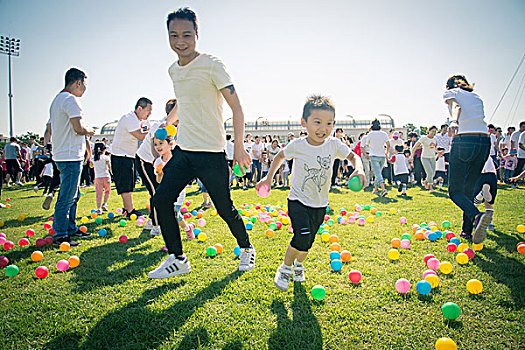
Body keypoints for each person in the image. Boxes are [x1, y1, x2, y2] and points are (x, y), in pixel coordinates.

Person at [148, 7, 255, 279]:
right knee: (161, 200)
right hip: (185, 151)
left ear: (197, 35)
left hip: (211, 153)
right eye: (173, 35)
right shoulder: (173, 70)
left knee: (224, 208)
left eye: (186, 35)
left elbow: (237, 108)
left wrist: (239, 147)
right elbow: (184, 101)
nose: (180, 41)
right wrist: (168, 121)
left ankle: (246, 247)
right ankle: (178, 258)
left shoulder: (212, 64)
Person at [256, 95, 365, 291]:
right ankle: (285, 268)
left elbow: (353, 156)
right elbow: (280, 156)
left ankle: (299, 265)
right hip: (297, 200)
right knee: (302, 235)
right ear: (304, 123)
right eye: (318, 122)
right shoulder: (298, 145)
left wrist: (359, 169)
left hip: (320, 203)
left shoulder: (334, 145)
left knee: (309, 241)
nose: (323, 128)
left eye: (329, 123)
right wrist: (269, 177)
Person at [47, 68, 94, 246]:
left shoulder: (57, 100)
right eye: (84, 85)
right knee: (67, 196)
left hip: (62, 154)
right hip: (70, 156)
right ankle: (60, 235)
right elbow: (78, 128)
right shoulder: (71, 100)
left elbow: (51, 128)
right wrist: (90, 131)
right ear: (77, 83)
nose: (84, 89)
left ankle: (70, 228)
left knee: (74, 194)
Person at [444, 74, 491, 244]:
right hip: (484, 140)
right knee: (469, 189)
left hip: (465, 139)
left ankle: (477, 216)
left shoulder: (452, 93)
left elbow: (455, 105)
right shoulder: (476, 96)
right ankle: (467, 231)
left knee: (455, 191)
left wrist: (454, 121)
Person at [136, 99, 178, 233]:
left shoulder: (173, 128)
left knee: (159, 191)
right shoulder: (160, 126)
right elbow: (154, 147)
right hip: (145, 161)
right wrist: (159, 162)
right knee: (156, 192)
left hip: (156, 163)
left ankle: (151, 221)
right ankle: (155, 226)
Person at [111, 97, 152, 217]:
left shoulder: (140, 121)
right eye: (148, 111)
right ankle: (130, 210)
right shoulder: (129, 118)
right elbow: (140, 136)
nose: (149, 114)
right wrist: (153, 131)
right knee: (126, 184)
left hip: (129, 155)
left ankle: (126, 208)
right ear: (139, 108)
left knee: (130, 182)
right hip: (121, 155)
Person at [153, 132, 194, 239]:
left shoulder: (177, 159)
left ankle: (174, 240)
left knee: (174, 213)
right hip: (165, 192)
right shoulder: (158, 162)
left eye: (161, 143)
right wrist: (161, 173)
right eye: (155, 144)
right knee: (174, 215)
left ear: (170, 144)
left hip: (178, 192)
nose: (158, 147)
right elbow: (158, 181)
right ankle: (187, 228)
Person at [363, 119, 390, 196]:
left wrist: (372, 145)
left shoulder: (370, 134)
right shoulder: (384, 134)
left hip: (373, 155)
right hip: (382, 155)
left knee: (378, 174)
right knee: (378, 173)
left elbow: (367, 144)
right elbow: (388, 144)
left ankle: (383, 189)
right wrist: (386, 152)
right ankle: (375, 189)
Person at [473, 157, 498, 231]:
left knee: (474, 202)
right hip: (492, 175)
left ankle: (481, 194)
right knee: (489, 202)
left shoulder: (475, 153)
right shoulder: (488, 154)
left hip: (480, 175)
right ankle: (490, 223)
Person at [410, 126, 438, 192]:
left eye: (435, 131)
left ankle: (425, 181)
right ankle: (430, 187)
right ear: (428, 131)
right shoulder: (424, 138)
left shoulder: (435, 139)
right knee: (430, 172)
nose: (433, 133)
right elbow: (414, 147)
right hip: (425, 157)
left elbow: (434, 148)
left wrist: (438, 152)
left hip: (432, 157)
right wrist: (411, 157)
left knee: (433, 173)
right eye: (432, 131)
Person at [93, 142, 112, 214]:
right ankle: (105, 203)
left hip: (98, 178)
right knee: (107, 191)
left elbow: (91, 166)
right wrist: (112, 174)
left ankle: (98, 209)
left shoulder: (93, 158)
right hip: (106, 177)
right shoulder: (106, 157)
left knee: (99, 193)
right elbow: (109, 167)